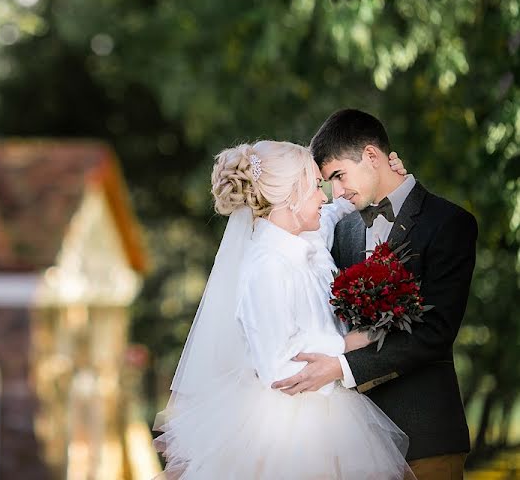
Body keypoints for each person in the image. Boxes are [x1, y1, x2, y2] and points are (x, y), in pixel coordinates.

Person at [153, 140, 415, 479]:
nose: (323, 196)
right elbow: (276, 366)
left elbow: (334, 208)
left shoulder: (303, 241)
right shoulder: (266, 267)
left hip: (326, 417)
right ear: (289, 197)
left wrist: (378, 179)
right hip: (290, 434)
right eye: (313, 188)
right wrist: (349, 344)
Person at [271, 109, 477, 480]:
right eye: (328, 182)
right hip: (354, 445)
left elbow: (435, 332)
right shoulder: (343, 230)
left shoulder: (448, 224)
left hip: (425, 435)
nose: (336, 192)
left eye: (338, 175)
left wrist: (341, 367)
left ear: (371, 156)